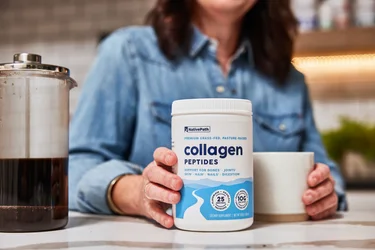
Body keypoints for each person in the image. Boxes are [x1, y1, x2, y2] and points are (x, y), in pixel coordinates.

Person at [68, 0, 348, 229]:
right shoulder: (127, 52)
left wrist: (324, 193)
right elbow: (74, 169)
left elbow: (326, 173)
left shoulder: (288, 79)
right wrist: (136, 193)